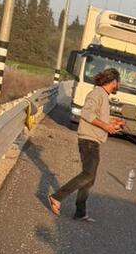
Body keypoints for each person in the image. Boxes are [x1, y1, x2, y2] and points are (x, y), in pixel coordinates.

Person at [48, 69, 124, 221]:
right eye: (118, 82)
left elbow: (98, 117)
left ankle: (80, 212)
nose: (118, 85)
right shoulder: (97, 94)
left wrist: (113, 123)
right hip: (89, 140)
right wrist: (106, 126)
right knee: (88, 174)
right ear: (114, 81)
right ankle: (57, 197)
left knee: (90, 179)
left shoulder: (103, 95)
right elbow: (87, 114)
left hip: (93, 140)